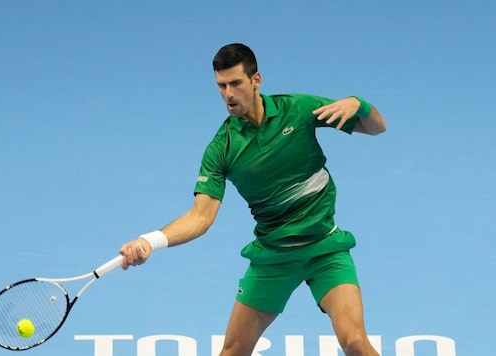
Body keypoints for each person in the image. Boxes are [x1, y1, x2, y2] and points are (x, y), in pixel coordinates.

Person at [119, 43, 386, 356]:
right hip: (273, 257)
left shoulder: (298, 110)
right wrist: (150, 241)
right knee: (232, 352)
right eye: (221, 85)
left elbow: (376, 128)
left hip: (325, 249)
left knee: (354, 341)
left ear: (255, 80)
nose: (228, 94)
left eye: (236, 83)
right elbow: (200, 218)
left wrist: (359, 104)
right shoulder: (222, 148)